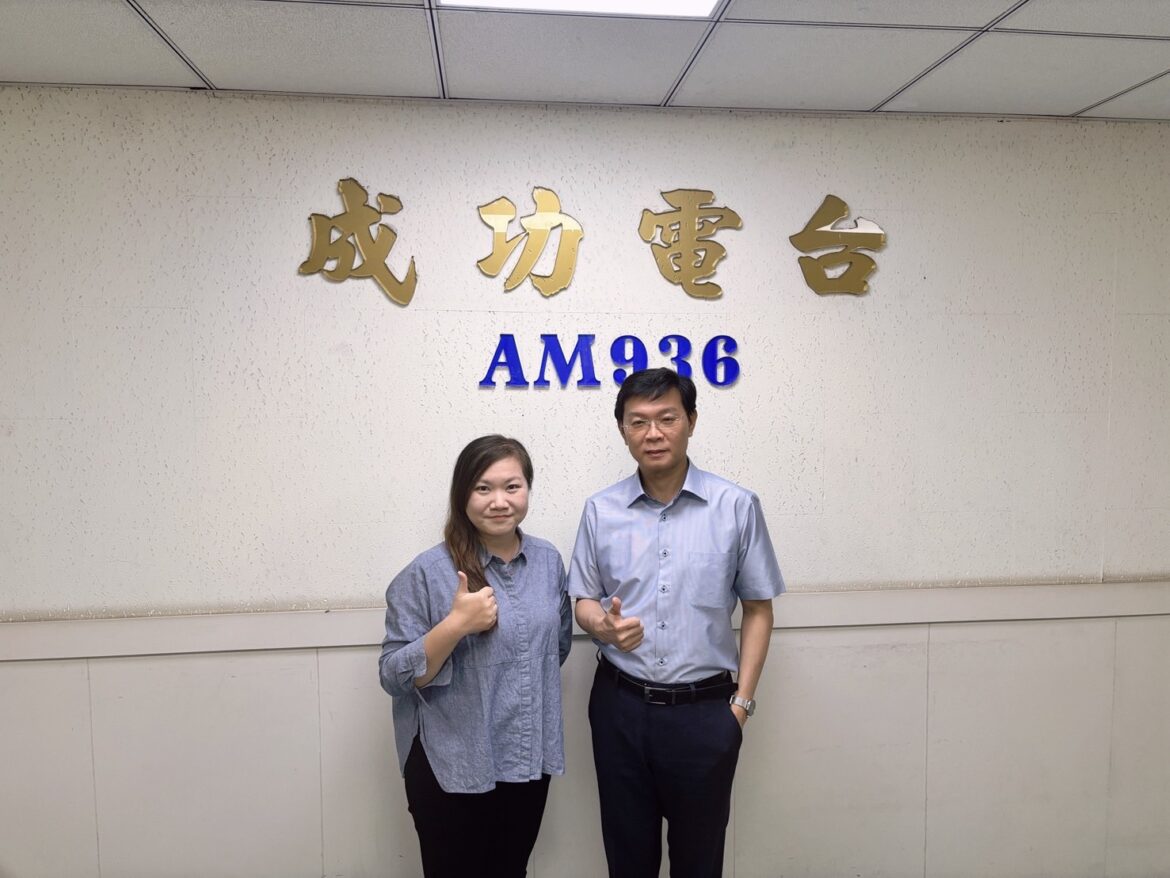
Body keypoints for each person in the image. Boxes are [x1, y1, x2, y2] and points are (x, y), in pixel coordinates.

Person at [568, 368, 784, 878]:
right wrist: (602, 626)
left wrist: (741, 706)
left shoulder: (736, 506)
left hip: (705, 713)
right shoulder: (600, 510)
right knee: (627, 859)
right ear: (622, 430)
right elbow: (583, 599)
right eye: (638, 422)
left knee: (699, 862)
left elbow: (758, 608)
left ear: (691, 421)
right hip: (619, 708)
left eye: (667, 418)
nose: (653, 433)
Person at [379, 435, 572, 878]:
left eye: (512, 486)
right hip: (452, 763)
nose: (499, 501)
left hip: (525, 759)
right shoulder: (427, 572)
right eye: (483, 488)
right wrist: (455, 626)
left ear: (527, 489)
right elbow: (392, 676)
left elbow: (554, 649)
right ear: (462, 494)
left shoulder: (548, 561)